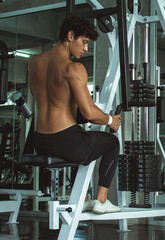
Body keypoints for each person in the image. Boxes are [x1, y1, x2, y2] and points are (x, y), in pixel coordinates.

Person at [28, 14, 121, 214]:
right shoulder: (74, 68)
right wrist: (111, 120)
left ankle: (85, 198)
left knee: (78, 137)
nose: (86, 48)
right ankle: (101, 201)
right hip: (66, 142)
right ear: (70, 36)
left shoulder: (34, 62)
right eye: (84, 42)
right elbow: (89, 113)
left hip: (39, 141)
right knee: (112, 143)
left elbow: (41, 96)